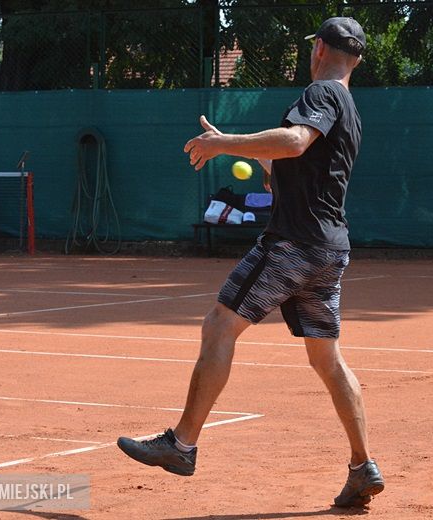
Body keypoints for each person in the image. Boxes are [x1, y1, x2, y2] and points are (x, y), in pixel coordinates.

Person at [117, 16, 384, 508]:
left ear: (320, 50)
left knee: (219, 324)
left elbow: (295, 142)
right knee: (327, 359)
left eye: (314, 48)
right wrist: (236, 150)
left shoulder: (320, 94)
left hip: (293, 244)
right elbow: (294, 163)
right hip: (330, 249)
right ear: (359, 58)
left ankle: (181, 445)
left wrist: (223, 144)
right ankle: (361, 465)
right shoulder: (350, 109)